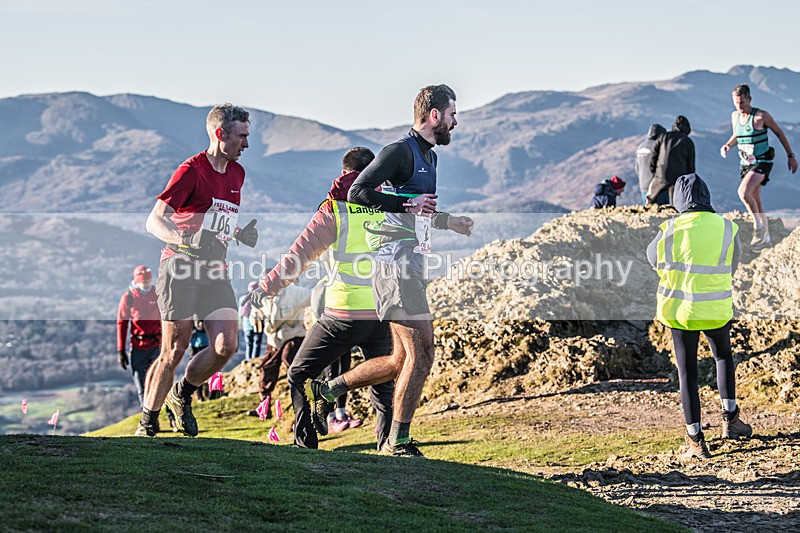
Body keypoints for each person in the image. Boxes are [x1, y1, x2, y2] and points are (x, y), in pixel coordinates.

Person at [307, 84, 474, 457]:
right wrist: (409, 202)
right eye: (451, 114)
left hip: (410, 263)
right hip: (393, 265)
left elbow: (415, 213)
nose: (455, 121)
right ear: (434, 115)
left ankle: (328, 390)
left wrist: (450, 221)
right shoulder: (399, 151)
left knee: (400, 360)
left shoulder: (429, 158)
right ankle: (397, 441)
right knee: (423, 354)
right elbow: (359, 192)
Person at [250, 146, 395, 450]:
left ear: (345, 173)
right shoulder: (389, 207)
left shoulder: (334, 209)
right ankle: (389, 445)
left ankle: (306, 443)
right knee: (382, 380)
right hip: (382, 311)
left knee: (300, 373)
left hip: (343, 312)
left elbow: (297, 258)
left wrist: (265, 287)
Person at [134, 103, 259, 437]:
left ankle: (182, 395)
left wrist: (237, 232)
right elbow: (154, 220)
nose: (247, 144)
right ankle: (148, 422)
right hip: (180, 268)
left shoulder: (237, 173)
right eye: (242, 136)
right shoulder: (191, 170)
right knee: (173, 350)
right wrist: (184, 239)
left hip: (215, 270)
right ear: (220, 134)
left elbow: (216, 220)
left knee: (226, 346)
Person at [647, 173, 752, 461]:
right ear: (706, 197)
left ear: (678, 201)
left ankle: (695, 440)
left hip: (680, 313)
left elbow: (652, 259)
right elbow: (733, 264)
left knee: (687, 373)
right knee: (723, 358)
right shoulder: (727, 227)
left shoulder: (669, 228)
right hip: (716, 310)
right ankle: (731, 421)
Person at [720, 83, 798, 248]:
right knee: (756, 199)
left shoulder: (761, 116)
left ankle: (758, 228)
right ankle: (766, 239)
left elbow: (779, 133)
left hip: (762, 161)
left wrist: (790, 156)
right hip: (745, 163)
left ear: (750, 99)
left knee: (743, 192)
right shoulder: (735, 116)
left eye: (742, 102)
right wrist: (727, 145)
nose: (739, 106)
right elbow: (738, 134)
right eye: (736, 103)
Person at [256, 280, 311, 406]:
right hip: (274, 338)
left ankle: (305, 393)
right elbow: (257, 309)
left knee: (290, 359)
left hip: (294, 334)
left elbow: (312, 296)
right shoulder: (263, 297)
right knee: (267, 367)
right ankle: (264, 405)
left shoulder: (295, 291)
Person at [116, 265, 162, 411]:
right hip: (138, 346)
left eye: (148, 281)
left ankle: (171, 417)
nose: (146, 285)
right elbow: (122, 323)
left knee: (160, 383)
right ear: (137, 282)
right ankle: (148, 421)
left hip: (157, 345)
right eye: (143, 282)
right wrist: (121, 350)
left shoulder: (158, 294)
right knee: (142, 387)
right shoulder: (129, 298)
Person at [647, 115, 695, 204]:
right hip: (679, 176)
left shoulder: (663, 137)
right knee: (676, 202)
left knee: (651, 198)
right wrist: (690, 179)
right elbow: (690, 164)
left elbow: (654, 156)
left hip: (661, 173)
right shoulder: (688, 141)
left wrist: (654, 171)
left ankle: (647, 212)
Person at [635, 124, 668, 205]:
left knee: (650, 213)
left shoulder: (640, 147)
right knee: (663, 214)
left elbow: (637, 168)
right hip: (658, 186)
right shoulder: (659, 146)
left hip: (643, 185)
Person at [239, 281, 264, 361]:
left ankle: (248, 360)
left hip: (246, 325)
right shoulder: (260, 298)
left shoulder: (243, 299)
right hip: (258, 324)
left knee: (249, 344)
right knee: (257, 343)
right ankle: (254, 360)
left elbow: (241, 314)